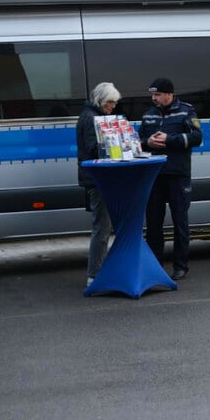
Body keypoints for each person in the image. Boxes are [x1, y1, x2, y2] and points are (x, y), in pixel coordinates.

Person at [138, 77, 203, 280]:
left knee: (180, 223)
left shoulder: (186, 111)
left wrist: (169, 140)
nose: (153, 98)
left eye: (157, 94)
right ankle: (155, 266)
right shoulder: (148, 114)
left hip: (178, 176)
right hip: (154, 176)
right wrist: (147, 141)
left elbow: (197, 137)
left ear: (169, 94)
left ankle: (180, 266)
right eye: (152, 94)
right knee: (154, 225)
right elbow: (137, 142)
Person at [76, 82, 121, 287]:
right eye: (111, 103)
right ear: (101, 101)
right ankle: (94, 275)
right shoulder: (91, 118)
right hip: (97, 179)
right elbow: (93, 148)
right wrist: (117, 145)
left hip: (96, 178)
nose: (113, 107)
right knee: (102, 229)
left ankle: (99, 272)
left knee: (103, 227)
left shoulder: (90, 115)